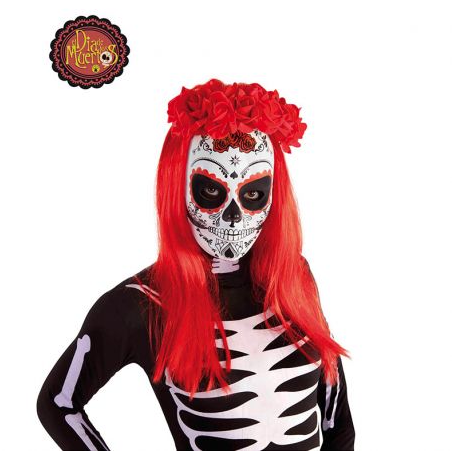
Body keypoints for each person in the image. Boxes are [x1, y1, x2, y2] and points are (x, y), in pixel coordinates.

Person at [36, 78, 355, 450]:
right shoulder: (141, 304)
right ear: (178, 186)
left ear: (274, 193)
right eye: (211, 190)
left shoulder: (292, 278)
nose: (233, 217)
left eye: (253, 193)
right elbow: (58, 403)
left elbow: (337, 420)